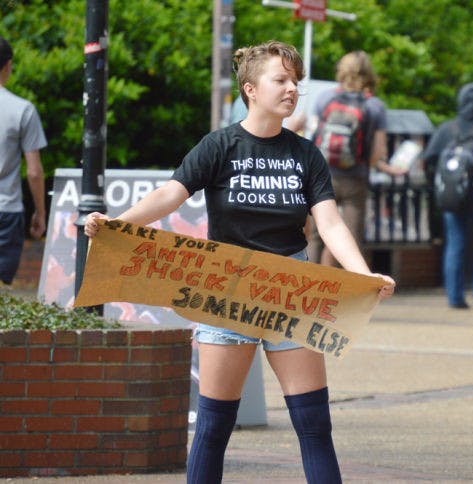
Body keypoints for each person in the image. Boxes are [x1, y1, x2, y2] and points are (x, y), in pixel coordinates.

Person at [84, 41, 396, 484]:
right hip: (226, 291)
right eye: (281, 80)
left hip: (292, 292)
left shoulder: (305, 153)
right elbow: (170, 195)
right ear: (251, 89)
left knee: (315, 427)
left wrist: (362, 275)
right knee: (213, 428)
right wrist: (118, 223)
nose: (292, 90)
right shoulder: (220, 146)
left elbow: (330, 223)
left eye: (296, 82)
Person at [306, 50, 406, 267]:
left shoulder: (325, 98)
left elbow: (312, 136)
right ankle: (332, 287)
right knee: (349, 237)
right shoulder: (374, 106)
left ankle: (306, 286)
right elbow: (378, 151)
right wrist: (370, 165)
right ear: (368, 74)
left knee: (315, 235)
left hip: (321, 176)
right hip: (355, 178)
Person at [421, 82, 473, 309]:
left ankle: (455, 297)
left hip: (451, 198)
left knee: (455, 243)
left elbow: (429, 160)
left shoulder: (447, 129)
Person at [0, 36, 47, 286]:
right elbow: (35, 172)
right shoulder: (22, 109)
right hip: (6, 213)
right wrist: (40, 212)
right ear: (8, 65)